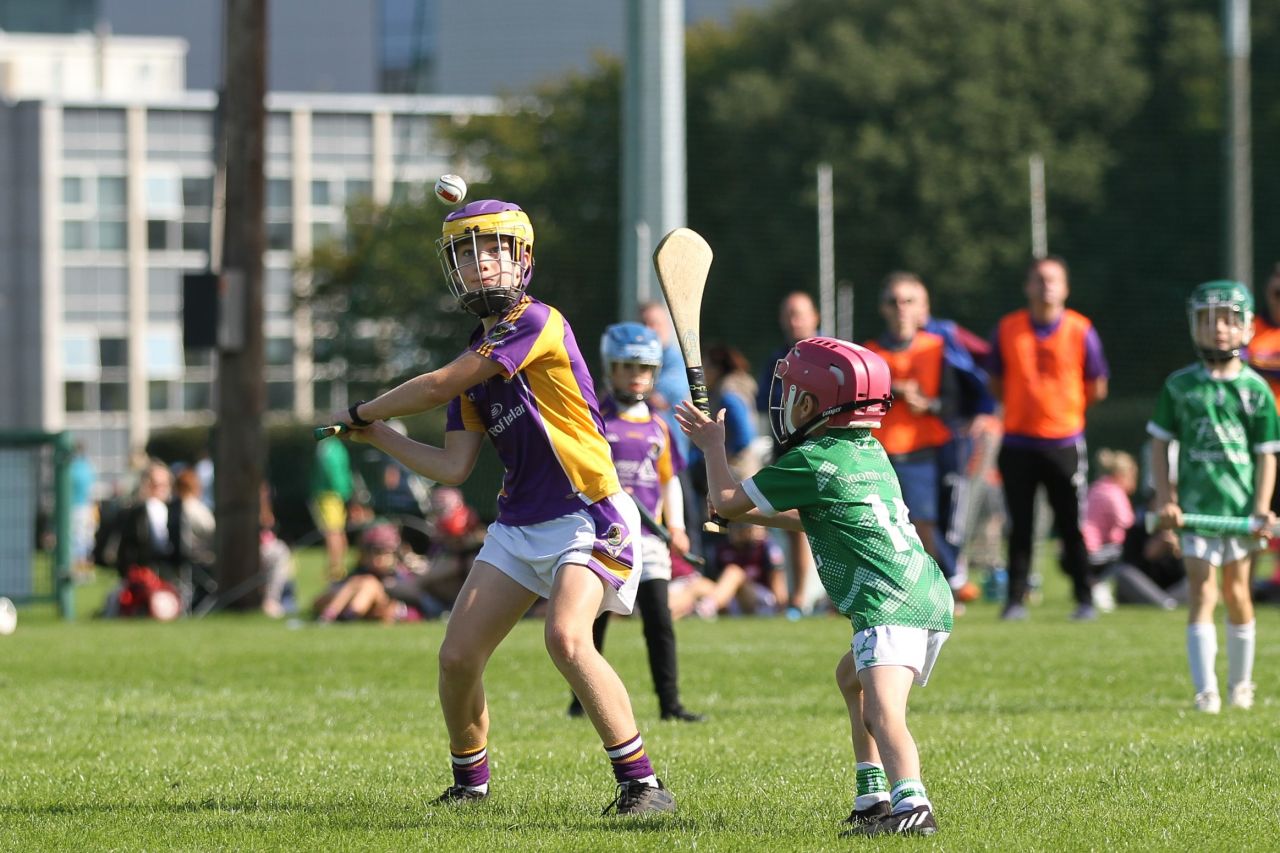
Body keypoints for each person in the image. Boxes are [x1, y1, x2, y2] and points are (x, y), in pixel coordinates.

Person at [328, 199, 675, 815]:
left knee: (568, 638)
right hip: (518, 524)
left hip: (588, 512)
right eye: (465, 253)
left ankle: (643, 785)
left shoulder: (535, 320)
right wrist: (378, 436)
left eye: (491, 250)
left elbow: (437, 384)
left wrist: (363, 410)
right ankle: (471, 786)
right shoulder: (475, 357)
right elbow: (452, 467)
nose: (478, 264)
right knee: (457, 658)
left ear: (522, 259)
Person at [677, 337, 953, 837]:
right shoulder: (865, 451)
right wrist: (736, 507)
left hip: (887, 604)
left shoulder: (812, 458)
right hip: (925, 594)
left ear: (813, 403)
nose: (786, 399)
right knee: (852, 680)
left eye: (794, 391)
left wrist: (713, 450)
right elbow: (817, 520)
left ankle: (912, 807)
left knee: (885, 710)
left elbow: (726, 498)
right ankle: (872, 799)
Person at [1148, 280, 1280, 713]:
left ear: (1245, 327)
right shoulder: (1180, 386)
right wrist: (1167, 498)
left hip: (1238, 512)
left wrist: (1261, 508)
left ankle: (1240, 685)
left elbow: (1266, 456)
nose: (1218, 328)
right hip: (1197, 511)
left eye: (1228, 319)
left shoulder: (1256, 390)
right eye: (1208, 319)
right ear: (1194, 325)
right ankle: (1206, 692)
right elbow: (1160, 444)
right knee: (1203, 593)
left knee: (1238, 592)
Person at [567, 322, 702, 722]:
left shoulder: (659, 426)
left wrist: (676, 527)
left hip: (649, 540)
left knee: (659, 623)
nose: (636, 376)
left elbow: (669, 479)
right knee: (595, 621)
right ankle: (581, 701)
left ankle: (670, 705)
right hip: (605, 536)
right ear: (610, 369)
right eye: (627, 367)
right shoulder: (596, 420)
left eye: (643, 368)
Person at [987, 256, 1109, 621]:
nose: (1046, 286)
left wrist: (1064, 412)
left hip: (1064, 443)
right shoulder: (1008, 329)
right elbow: (995, 380)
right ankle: (1015, 600)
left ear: (1066, 287)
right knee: (1019, 527)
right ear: (1027, 287)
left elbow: (1097, 385)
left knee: (1072, 525)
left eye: (1053, 280)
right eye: (1039, 280)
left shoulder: (1080, 329)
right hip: (1018, 443)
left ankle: (1084, 598)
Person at [863, 273, 989, 602]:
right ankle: (878, 594)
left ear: (922, 308)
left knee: (924, 527)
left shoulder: (937, 347)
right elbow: (857, 403)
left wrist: (928, 404)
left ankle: (934, 593)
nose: (900, 308)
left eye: (908, 301)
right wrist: (894, 391)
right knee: (876, 530)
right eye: (893, 301)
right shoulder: (870, 354)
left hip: (924, 454)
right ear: (883, 308)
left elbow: (954, 401)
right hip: (880, 455)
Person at [755, 291, 820, 614]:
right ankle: (798, 598)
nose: (794, 320)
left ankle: (834, 599)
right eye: (789, 314)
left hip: (825, 451)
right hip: (789, 452)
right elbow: (764, 404)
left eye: (800, 313)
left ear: (815, 317)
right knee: (797, 526)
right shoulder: (776, 359)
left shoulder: (829, 355)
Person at [1081, 448, 1139, 612]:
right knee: (1125, 550)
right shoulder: (1114, 493)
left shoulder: (1097, 487)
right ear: (1121, 475)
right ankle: (1098, 585)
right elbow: (1128, 523)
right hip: (1092, 553)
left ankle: (1092, 584)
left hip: (1078, 550)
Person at [311, 434, 354, 582]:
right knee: (338, 531)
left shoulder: (328, 447)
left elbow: (330, 472)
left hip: (329, 495)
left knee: (332, 532)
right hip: (338, 495)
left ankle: (336, 570)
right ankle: (339, 568)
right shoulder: (338, 447)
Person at [69, 442, 97, 582]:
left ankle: (80, 571)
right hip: (86, 508)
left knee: (78, 542)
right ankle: (84, 570)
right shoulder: (88, 467)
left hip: (76, 508)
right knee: (85, 541)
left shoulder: (72, 468)